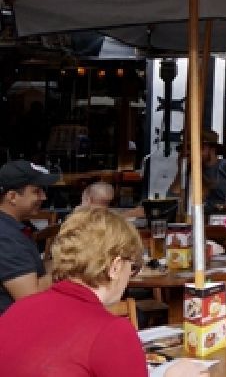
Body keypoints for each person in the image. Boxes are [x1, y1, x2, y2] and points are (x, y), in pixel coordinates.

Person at [0, 206, 206, 376]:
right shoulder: (111, 331)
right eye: (132, 267)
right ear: (115, 267)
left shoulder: (17, 309)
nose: (130, 275)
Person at [0, 160, 56, 315]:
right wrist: (72, 271)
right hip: (11, 332)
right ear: (12, 196)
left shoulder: (12, 227)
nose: (43, 197)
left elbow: (34, 271)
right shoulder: (5, 236)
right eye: (36, 191)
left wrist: (75, 260)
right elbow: (30, 296)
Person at [172, 129, 226, 216]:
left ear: (212, 150)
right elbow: (173, 199)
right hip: (199, 219)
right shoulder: (189, 173)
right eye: (187, 149)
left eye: (197, 148)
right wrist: (181, 171)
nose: (190, 152)